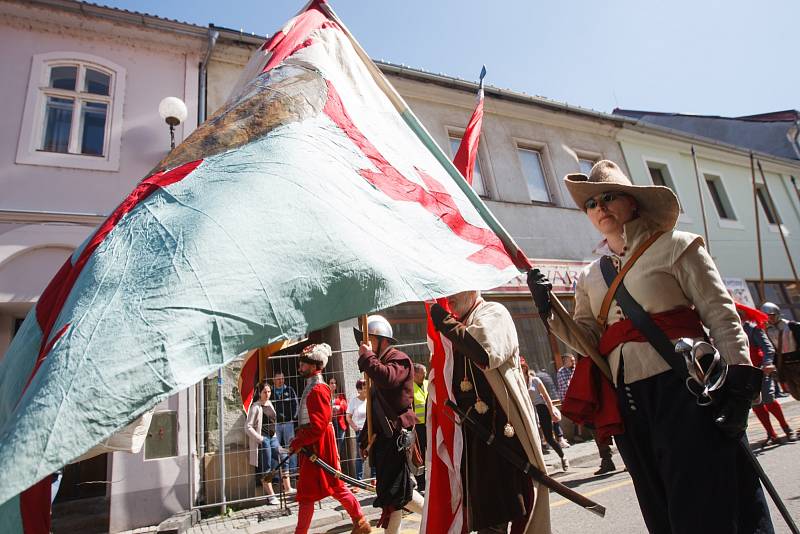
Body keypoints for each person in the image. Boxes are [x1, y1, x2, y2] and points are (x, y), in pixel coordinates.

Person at [528, 160, 773, 534]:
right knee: (659, 504)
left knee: (705, 501)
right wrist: (549, 309)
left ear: (633, 202)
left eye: (608, 197)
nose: (600, 207)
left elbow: (721, 315)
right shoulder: (590, 276)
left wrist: (740, 386)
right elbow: (588, 344)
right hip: (626, 397)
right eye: (591, 204)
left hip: (685, 385)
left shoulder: (677, 245)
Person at [430, 291, 550, 534]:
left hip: (501, 433)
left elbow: (484, 352)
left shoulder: (493, 312)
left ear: (473, 290)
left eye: (454, 291)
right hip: (473, 437)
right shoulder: (460, 323)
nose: (449, 299)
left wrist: (442, 320)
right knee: (485, 516)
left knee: (499, 514)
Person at [289, 344, 371, 534]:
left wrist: (298, 441)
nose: (300, 368)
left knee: (329, 487)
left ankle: (360, 522)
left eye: (303, 365)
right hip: (313, 446)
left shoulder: (317, 389)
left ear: (313, 366)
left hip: (318, 447)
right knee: (316, 491)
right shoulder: (313, 387)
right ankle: (360, 522)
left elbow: (317, 426)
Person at [356, 315, 424, 534]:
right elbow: (374, 410)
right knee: (395, 494)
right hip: (386, 440)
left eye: (370, 340)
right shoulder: (376, 367)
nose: (365, 345)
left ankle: (439, 519)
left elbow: (388, 378)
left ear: (382, 340)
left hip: (397, 438)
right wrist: (364, 438)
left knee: (396, 494)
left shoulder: (399, 359)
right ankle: (438, 517)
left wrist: (366, 357)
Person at [737, 303, 793, 444]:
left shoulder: (752, 329)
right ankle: (771, 434)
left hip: (760, 370)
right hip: (743, 373)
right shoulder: (725, 332)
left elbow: (768, 348)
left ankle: (787, 429)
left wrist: (767, 363)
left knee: (768, 399)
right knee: (756, 404)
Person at [246, 381, 290, 504]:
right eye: (264, 392)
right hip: (264, 441)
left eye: (269, 391)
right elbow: (247, 427)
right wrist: (260, 439)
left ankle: (287, 488)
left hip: (273, 438)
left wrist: (275, 435)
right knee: (267, 467)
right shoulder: (255, 407)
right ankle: (271, 496)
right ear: (259, 393)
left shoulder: (270, 403)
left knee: (284, 456)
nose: (267, 394)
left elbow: (272, 421)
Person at [523, 361, 568, 471]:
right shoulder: (519, 383)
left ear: (526, 368)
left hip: (541, 409)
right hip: (529, 411)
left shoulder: (535, 380)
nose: (520, 369)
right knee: (534, 439)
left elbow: (547, 396)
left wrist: (551, 410)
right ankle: (540, 466)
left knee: (548, 437)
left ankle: (563, 457)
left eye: (522, 367)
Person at [762, 301, 800, 400]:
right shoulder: (766, 331)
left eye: (771, 315)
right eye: (767, 316)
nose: (769, 318)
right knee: (796, 394)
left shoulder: (792, 326)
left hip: (798, 362)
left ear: (777, 313)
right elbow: (772, 349)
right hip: (784, 366)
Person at [273, 371, 299, 480]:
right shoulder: (270, 392)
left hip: (288, 423)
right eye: (279, 379)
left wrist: (293, 418)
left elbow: (296, 404)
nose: (281, 381)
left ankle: (292, 472)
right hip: (275, 425)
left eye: (282, 379)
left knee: (291, 447)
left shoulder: (290, 390)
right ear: (274, 380)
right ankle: (276, 475)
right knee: (275, 448)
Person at [346, 379, 370, 480]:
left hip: (371, 430)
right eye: (363, 388)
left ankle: (374, 478)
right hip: (360, 430)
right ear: (359, 390)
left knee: (372, 452)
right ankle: (359, 479)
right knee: (360, 455)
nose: (365, 390)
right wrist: (355, 427)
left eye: (366, 387)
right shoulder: (354, 401)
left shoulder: (370, 400)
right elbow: (348, 417)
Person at [412, 363, 428, 492]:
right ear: (415, 374)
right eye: (423, 373)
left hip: (430, 424)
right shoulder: (409, 387)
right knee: (419, 455)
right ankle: (421, 483)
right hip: (417, 427)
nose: (425, 375)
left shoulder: (428, 384)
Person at [328, 376, 349, 457]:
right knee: (332, 442)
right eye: (331, 383)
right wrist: (331, 408)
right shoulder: (326, 395)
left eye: (335, 383)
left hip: (340, 422)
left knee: (340, 441)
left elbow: (345, 406)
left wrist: (339, 407)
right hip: (330, 422)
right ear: (328, 384)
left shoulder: (340, 396)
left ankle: (338, 458)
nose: (333, 385)